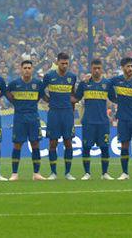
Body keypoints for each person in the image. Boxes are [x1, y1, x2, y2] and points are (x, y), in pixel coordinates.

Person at [75, 59, 116, 180]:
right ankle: (87, 173)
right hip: (88, 121)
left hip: (103, 122)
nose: (97, 70)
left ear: (102, 69)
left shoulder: (107, 84)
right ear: (91, 69)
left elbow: (114, 99)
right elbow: (76, 97)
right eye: (94, 68)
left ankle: (105, 173)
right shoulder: (84, 84)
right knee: (86, 147)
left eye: (99, 68)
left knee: (104, 148)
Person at [6, 59, 46, 181]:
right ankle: (14, 173)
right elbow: (6, 92)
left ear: (32, 70)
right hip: (19, 118)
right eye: (25, 68)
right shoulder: (15, 84)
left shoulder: (38, 84)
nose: (27, 70)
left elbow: (40, 95)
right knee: (17, 145)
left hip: (33, 118)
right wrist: (15, 102)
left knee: (35, 144)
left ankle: (36, 173)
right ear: (21, 69)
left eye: (29, 68)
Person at [43, 52, 78, 180]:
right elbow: (41, 91)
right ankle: (53, 172)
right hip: (54, 113)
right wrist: (48, 100)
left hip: (67, 113)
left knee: (68, 142)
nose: (64, 65)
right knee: (53, 142)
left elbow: (73, 95)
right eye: (62, 63)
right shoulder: (49, 76)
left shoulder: (72, 77)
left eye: (66, 63)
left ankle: (68, 172)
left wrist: (72, 111)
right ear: (57, 62)